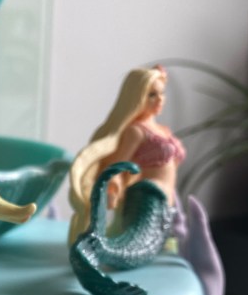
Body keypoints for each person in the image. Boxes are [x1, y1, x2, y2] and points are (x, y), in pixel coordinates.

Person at [68, 65, 186, 244]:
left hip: (169, 200)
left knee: (162, 242)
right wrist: (113, 185)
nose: (160, 99)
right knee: (139, 242)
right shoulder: (136, 131)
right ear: (137, 97)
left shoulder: (162, 130)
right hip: (149, 196)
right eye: (152, 95)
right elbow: (118, 163)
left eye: (162, 93)